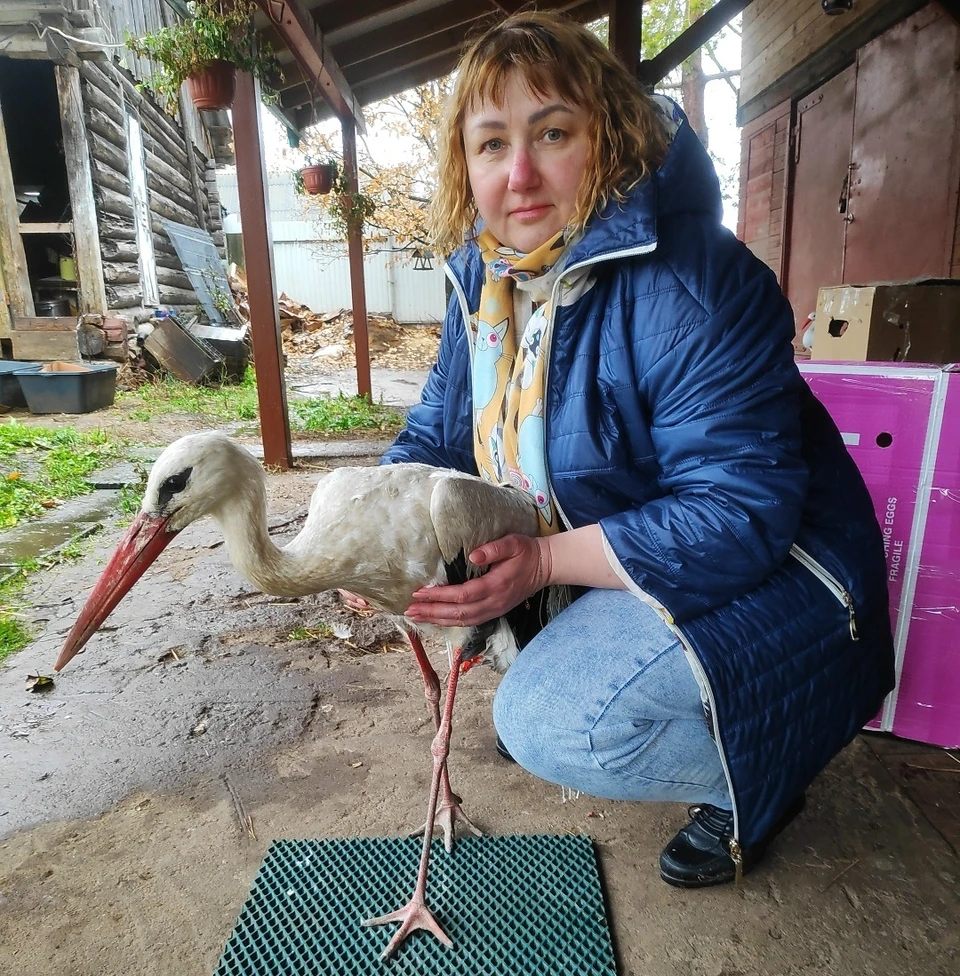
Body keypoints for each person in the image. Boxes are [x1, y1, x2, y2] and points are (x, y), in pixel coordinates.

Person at [376, 10, 895, 888]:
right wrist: (369, 526)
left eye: (552, 133)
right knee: (505, 669)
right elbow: (436, 427)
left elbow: (740, 512)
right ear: (466, 165)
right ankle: (638, 678)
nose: (522, 173)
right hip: (626, 543)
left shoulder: (696, 281)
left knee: (552, 722)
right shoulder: (489, 279)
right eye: (492, 143)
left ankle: (760, 778)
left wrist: (541, 563)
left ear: (607, 139)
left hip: (786, 567)